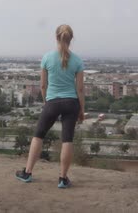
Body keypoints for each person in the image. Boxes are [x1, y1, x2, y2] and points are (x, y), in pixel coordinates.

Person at [15, 24, 85, 189]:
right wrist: (82, 110)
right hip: (71, 103)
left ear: (56, 38)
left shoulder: (46, 58)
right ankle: (62, 178)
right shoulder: (78, 60)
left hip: (52, 101)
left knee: (38, 136)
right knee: (67, 139)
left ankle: (27, 173)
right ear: (71, 39)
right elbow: (80, 89)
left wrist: (48, 103)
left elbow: (43, 86)